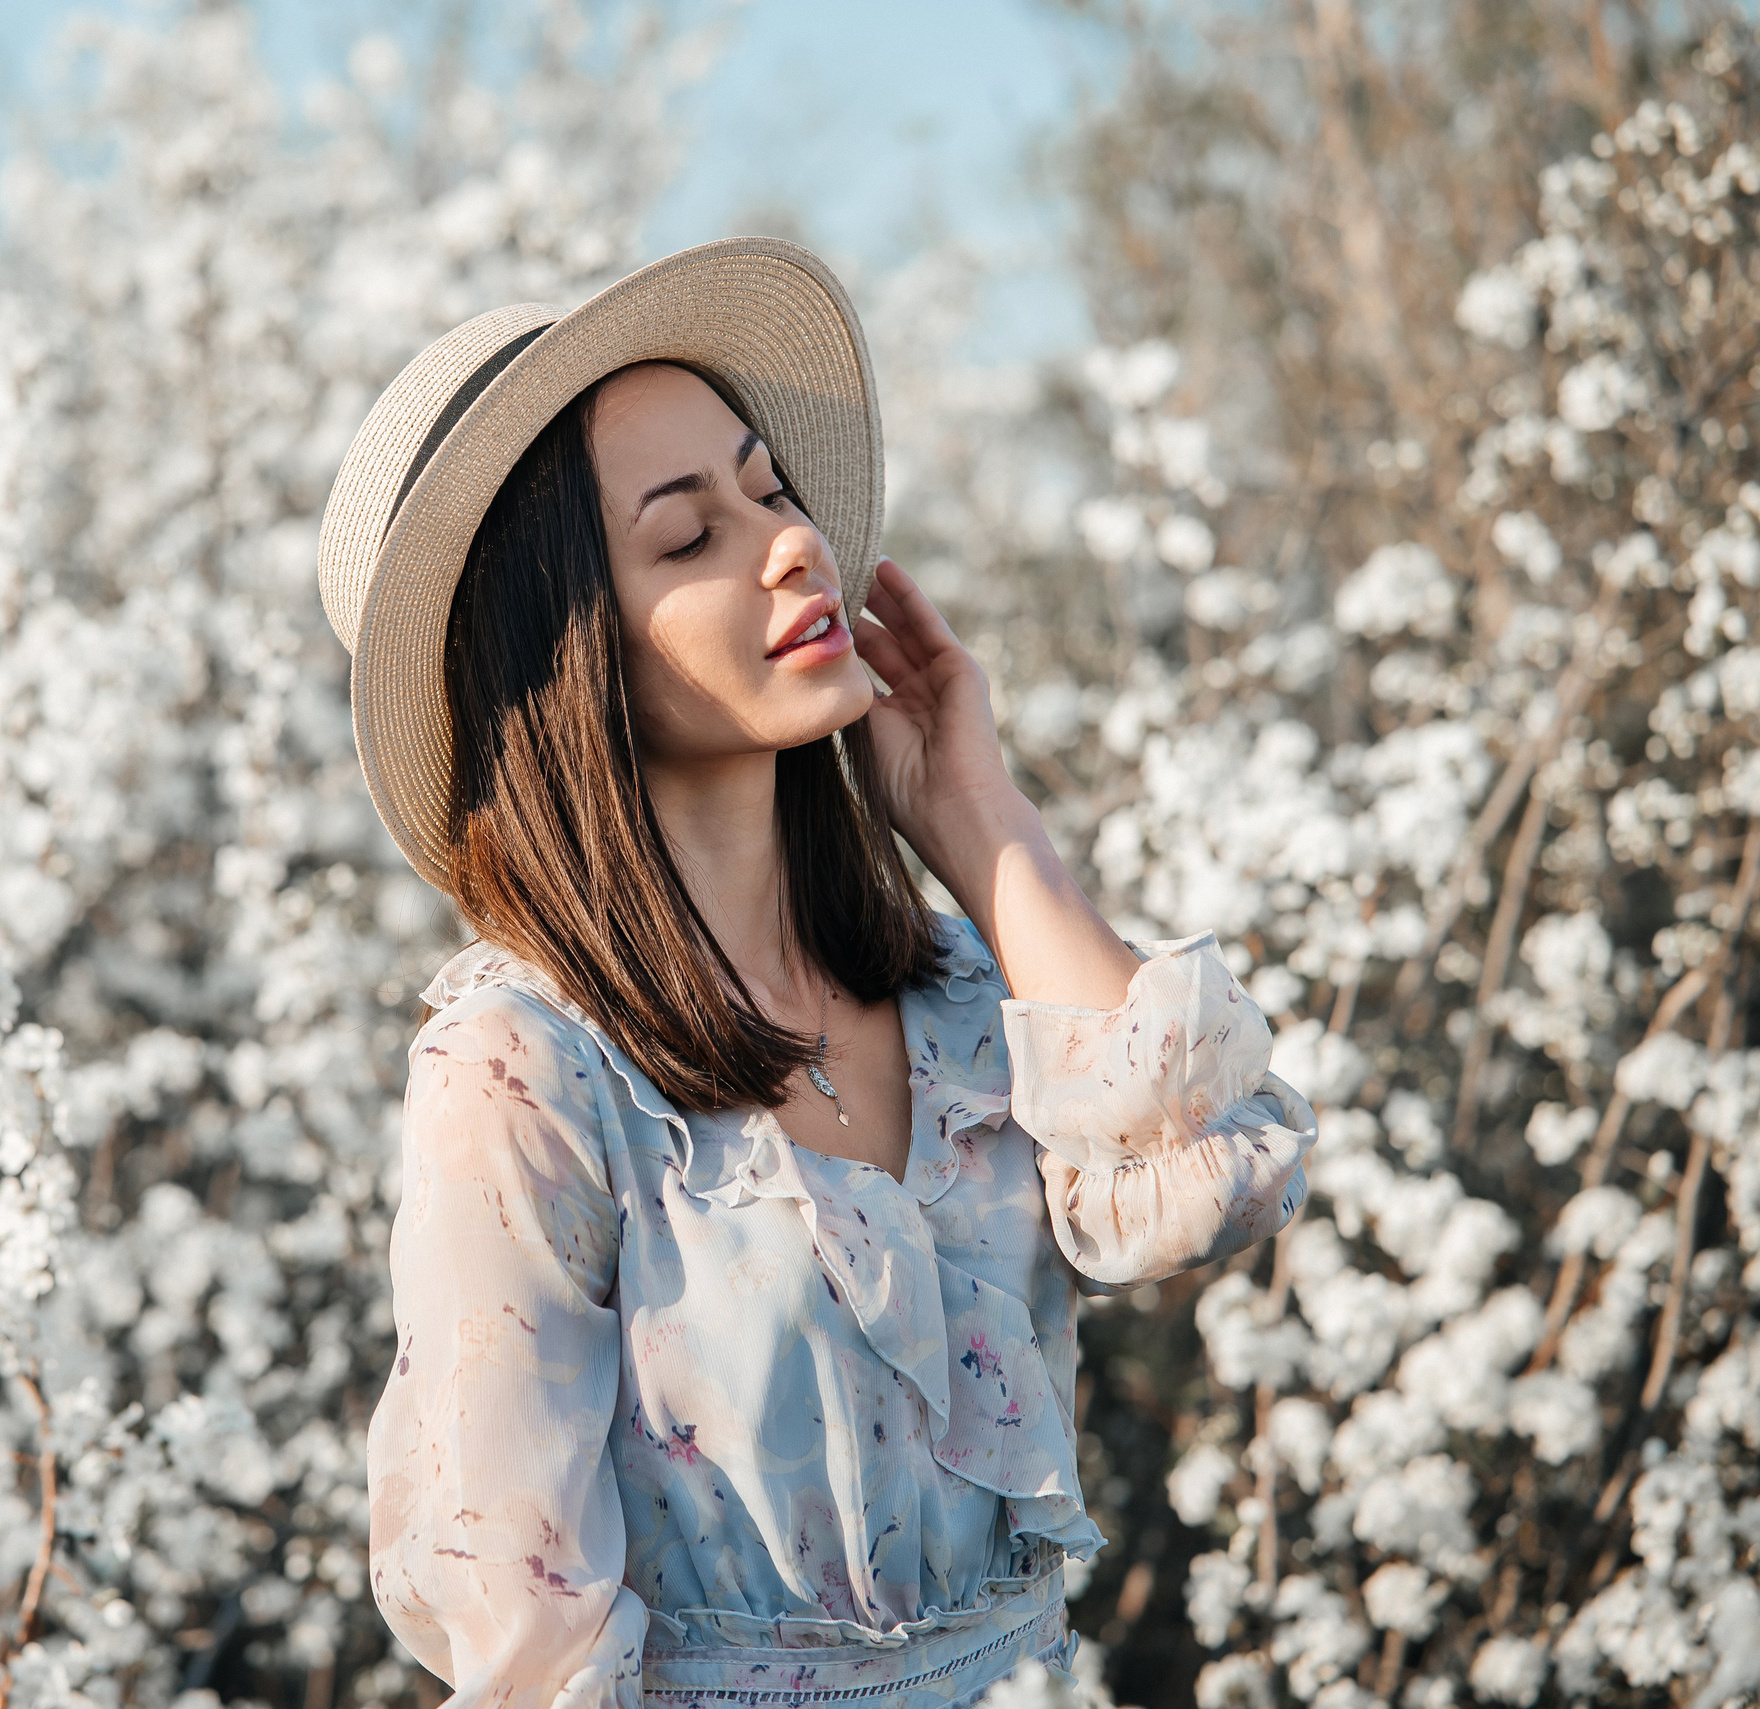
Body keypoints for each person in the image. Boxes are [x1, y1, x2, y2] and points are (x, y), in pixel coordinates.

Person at [315, 238, 1316, 1709]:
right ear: (564, 653)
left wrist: (982, 824)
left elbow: (1210, 1177)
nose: (789, 543)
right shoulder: (528, 1070)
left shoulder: (956, 987)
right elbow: (534, 1642)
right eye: (687, 533)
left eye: (770, 489)